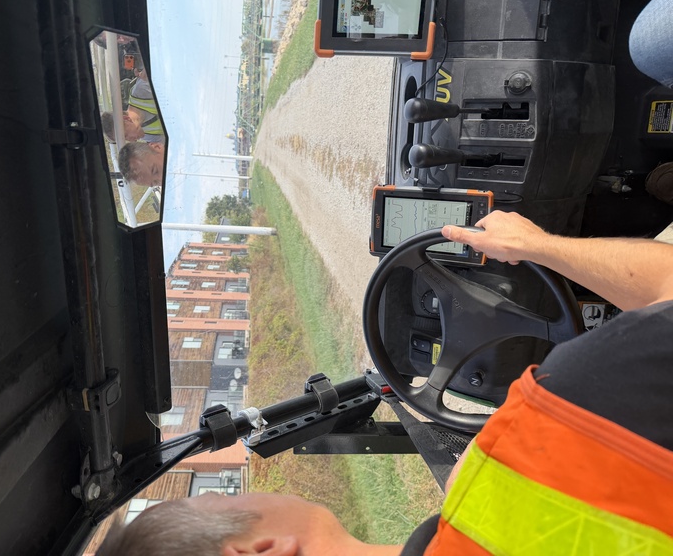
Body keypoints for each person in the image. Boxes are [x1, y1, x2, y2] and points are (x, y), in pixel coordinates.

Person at [96, 211, 673, 555]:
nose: (248, 491)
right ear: (261, 550)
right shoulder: (550, 432)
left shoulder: (484, 510)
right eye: (232, 498)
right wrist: (537, 247)